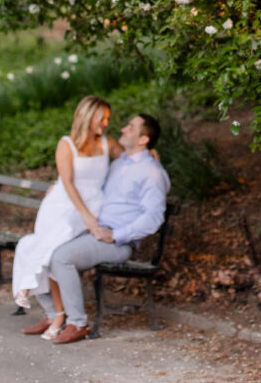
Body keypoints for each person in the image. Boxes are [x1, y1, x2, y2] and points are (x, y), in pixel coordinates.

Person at [21, 112, 170, 344]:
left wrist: (118, 235)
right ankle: (53, 316)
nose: (123, 129)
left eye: (131, 127)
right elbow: (86, 181)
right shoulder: (120, 163)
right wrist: (58, 186)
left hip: (118, 242)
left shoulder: (152, 173)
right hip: (95, 231)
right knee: (38, 246)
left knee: (61, 258)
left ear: (143, 140)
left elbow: (154, 217)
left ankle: (78, 324)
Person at [12, 95, 120, 336]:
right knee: (36, 248)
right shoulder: (66, 144)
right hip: (64, 206)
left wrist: (150, 152)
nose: (105, 123)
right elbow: (68, 183)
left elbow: (133, 160)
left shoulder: (108, 143)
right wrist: (87, 217)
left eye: (107, 119)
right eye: (101, 118)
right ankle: (55, 315)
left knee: (51, 254)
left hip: (93, 204)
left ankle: (60, 317)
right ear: (86, 117)